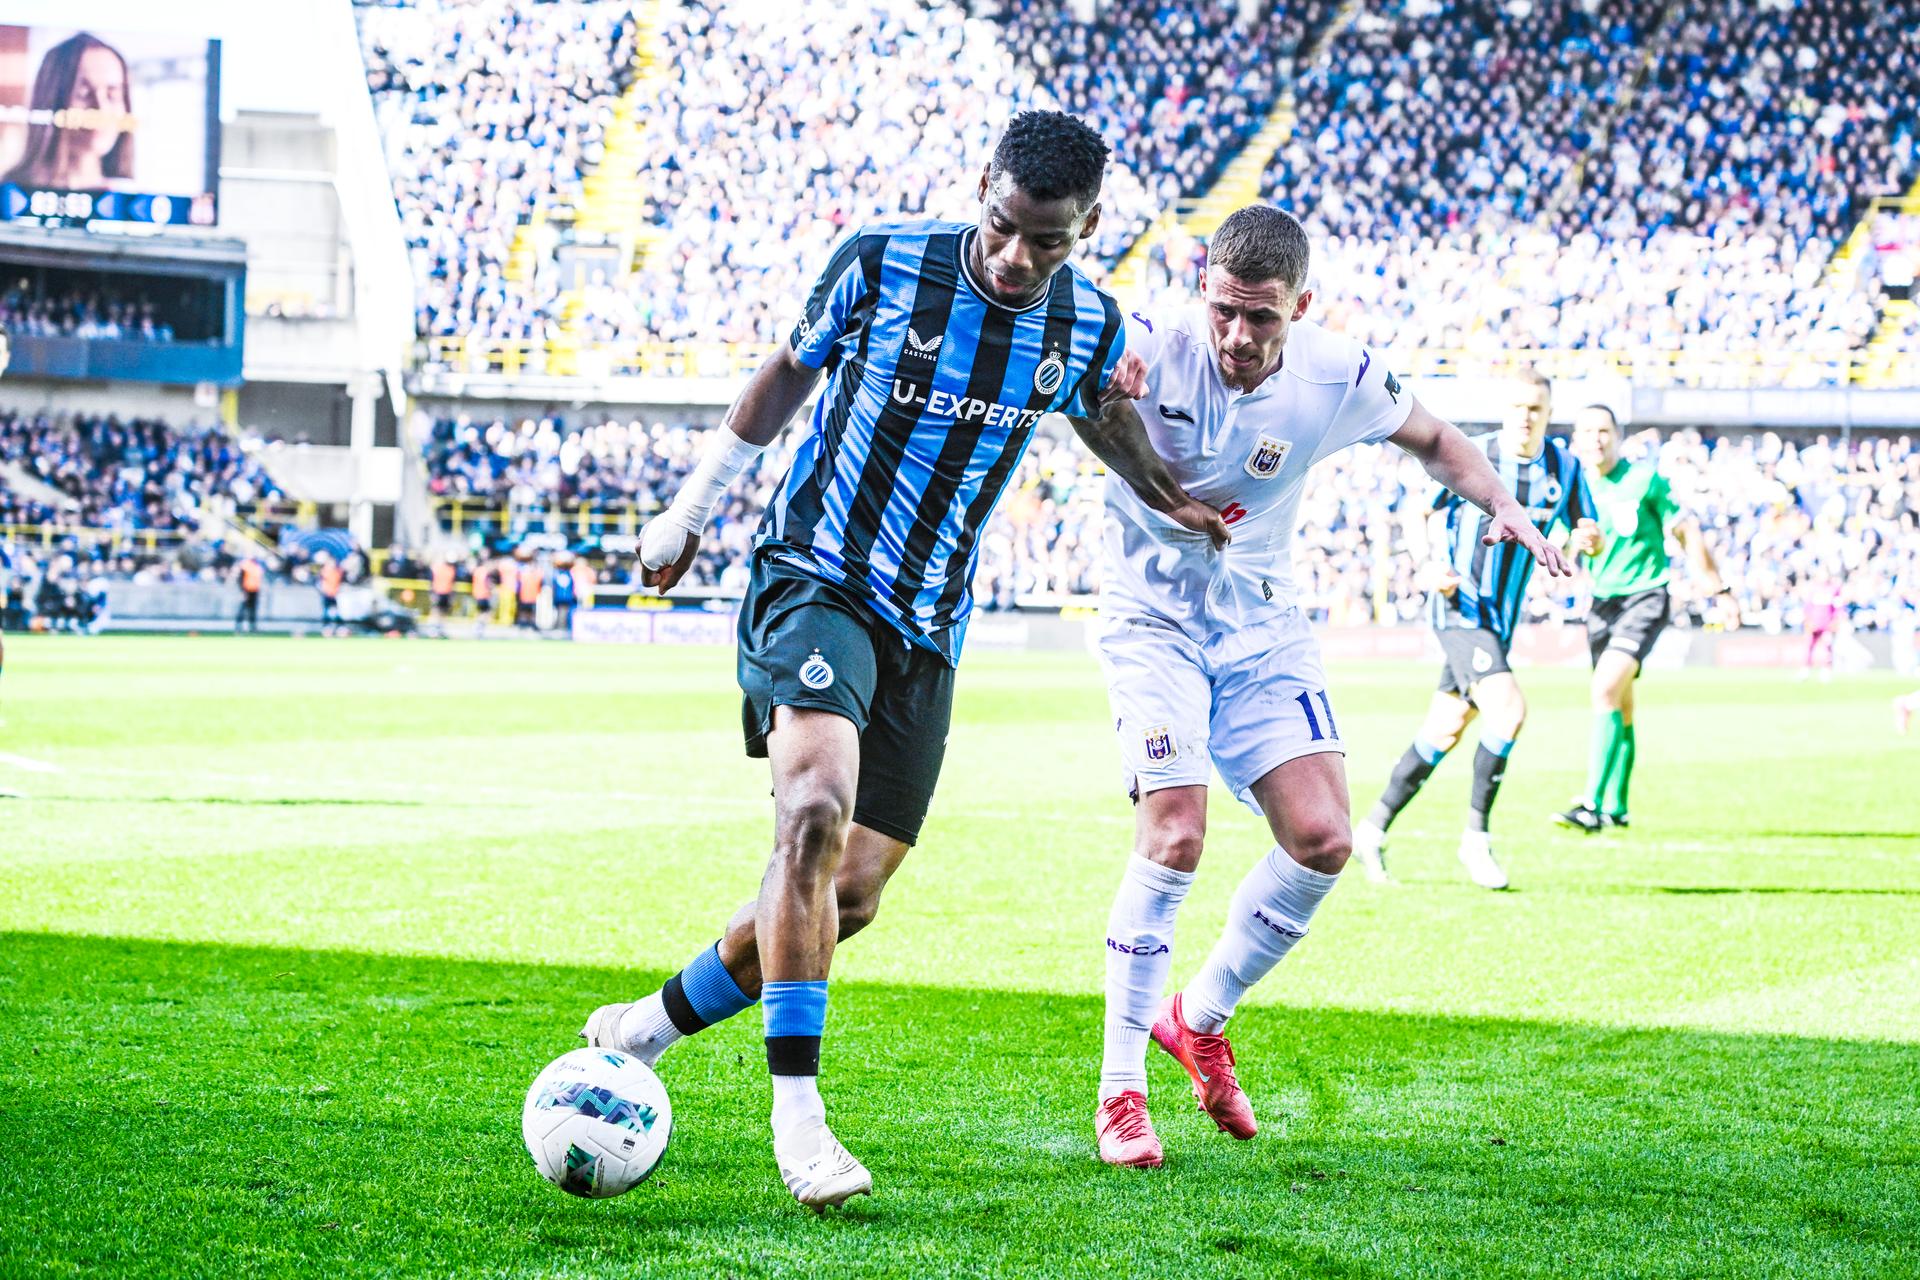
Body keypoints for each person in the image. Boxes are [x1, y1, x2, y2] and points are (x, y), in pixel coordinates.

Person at [578, 111, 1226, 1210]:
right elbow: (784, 376)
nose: (1017, 256)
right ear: (982, 189)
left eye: (1048, 241)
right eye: (1004, 226)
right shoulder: (883, 262)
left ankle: (646, 1026)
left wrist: (1171, 495)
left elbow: (1101, 415)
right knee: (811, 814)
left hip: (930, 622)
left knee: (853, 892)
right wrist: (690, 509)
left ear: (1087, 230)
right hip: (817, 575)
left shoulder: (1084, 320)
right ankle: (799, 1119)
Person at [1086, 206, 1573, 1168]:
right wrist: (1106, 393)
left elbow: (1435, 438)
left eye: (1261, 317)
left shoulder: (1337, 372)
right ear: (1203, 290)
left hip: (1263, 626)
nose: (1237, 335)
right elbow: (1066, 382)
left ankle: (1200, 1017)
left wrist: (1503, 502)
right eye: (1224, 310)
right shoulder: (1147, 341)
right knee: (1175, 833)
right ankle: (1120, 1090)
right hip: (1150, 623)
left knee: (1323, 839)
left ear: (1300, 308)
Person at [1352, 372, 1601, 890]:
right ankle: (1476, 839)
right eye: (1518, 407)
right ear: (1504, 408)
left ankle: (1370, 831)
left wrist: (1588, 540)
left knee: (1443, 730)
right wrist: (1428, 562)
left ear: (1549, 413)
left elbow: (1586, 530)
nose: (1525, 417)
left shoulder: (1566, 467)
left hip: (1501, 619)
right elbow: (1419, 511)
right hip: (1460, 605)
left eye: (1535, 408)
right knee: (1509, 710)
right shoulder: (1474, 455)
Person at [1555, 409, 1725, 833]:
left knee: (1604, 689)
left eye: (1604, 431)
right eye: (1588, 431)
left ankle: (1591, 805)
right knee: (1621, 704)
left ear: (1618, 436)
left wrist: (1713, 583)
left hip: (1646, 595)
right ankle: (1618, 806)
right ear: (1576, 439)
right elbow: (1566, 547)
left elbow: (1685, 529)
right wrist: (1576, 544)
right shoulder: (1576, 487)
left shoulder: (1645, 479)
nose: (1596, 439)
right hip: (1601, 603)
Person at [2, 33, 135, 191]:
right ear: (50, 99)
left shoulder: (131, 196)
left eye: (113, 95)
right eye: (83, 94)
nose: (101, 109)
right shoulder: (9, 195)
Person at [233, 556, 264, 633]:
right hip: (246, 590)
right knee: (242, 609)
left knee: (253, 610)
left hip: (255, 590)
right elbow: (240, 579)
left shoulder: (257, 565)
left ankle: (252, 627)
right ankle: (238, 627)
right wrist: (242, 591)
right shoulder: (245, 565)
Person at [317, 556, 345, 636]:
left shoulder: (337, 572)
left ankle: (340, 628)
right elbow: (320, 583)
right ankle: (327, 629)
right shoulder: (323, 572)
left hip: (334, 595)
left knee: (337, 613)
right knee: (326, 612)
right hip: (326, 595)